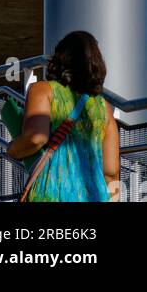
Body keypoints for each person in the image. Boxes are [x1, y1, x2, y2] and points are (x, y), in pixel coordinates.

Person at [6, 31, 119, 202]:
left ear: (60, 59)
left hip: (50, 195)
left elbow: (36, 139)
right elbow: (111, 171)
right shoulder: (104, 108)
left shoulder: (43, 90)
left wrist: (12, 149)